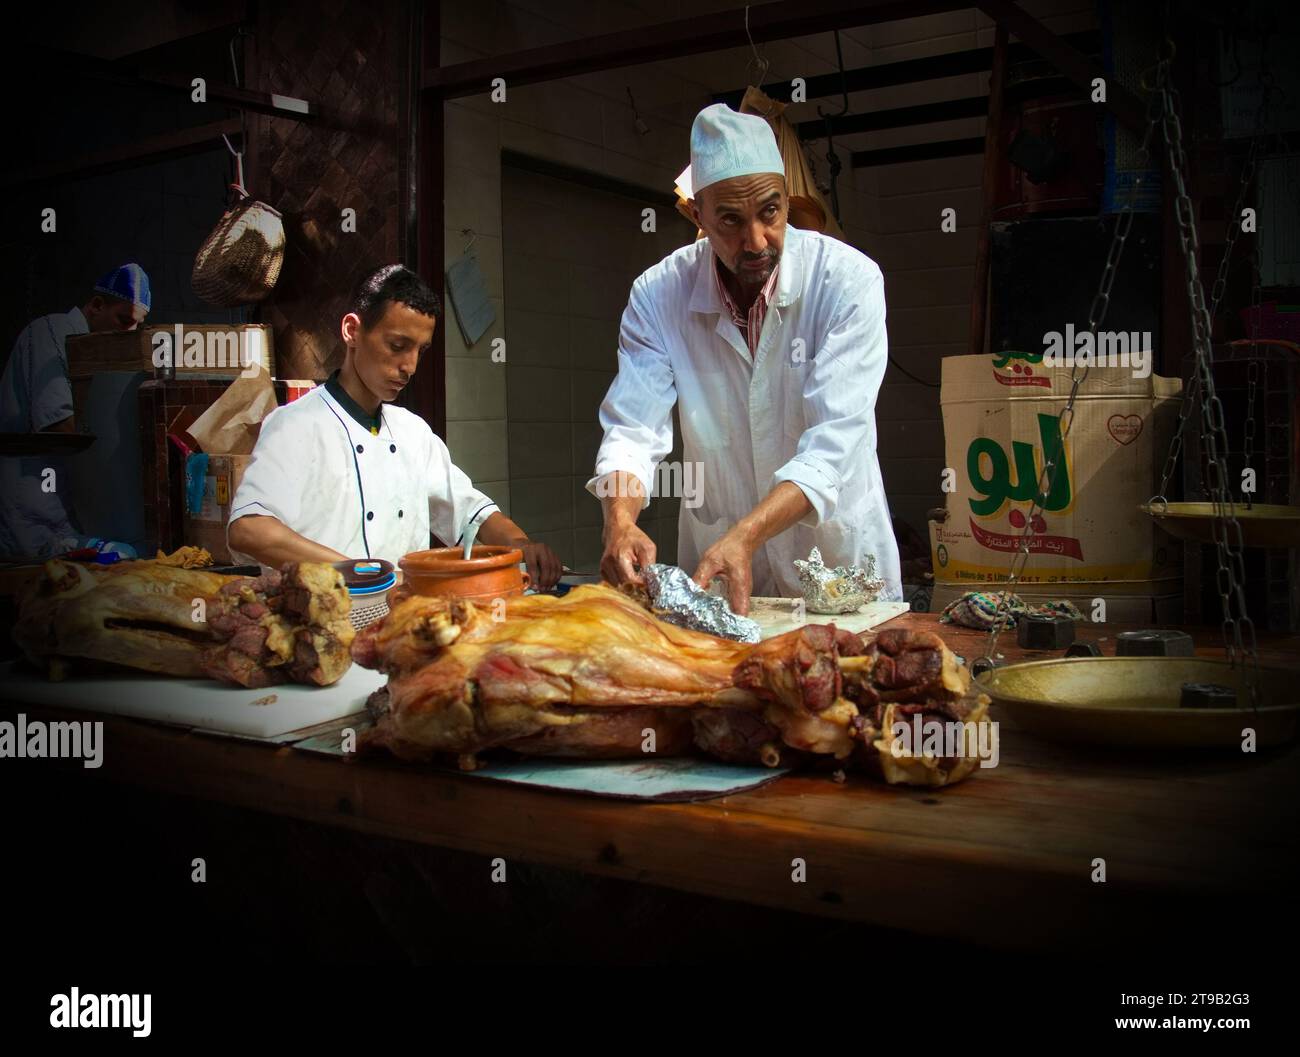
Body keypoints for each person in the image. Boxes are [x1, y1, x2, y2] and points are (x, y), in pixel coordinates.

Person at [589, 103, 902, 614]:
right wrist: (619, 520)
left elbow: (832, 446)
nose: (755, 241)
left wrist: (747, 535)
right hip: (719, 565)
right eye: (731, 220)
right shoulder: (659, 294)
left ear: (785, 200)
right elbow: (633, 430)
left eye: (770, 213)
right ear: (698, 214)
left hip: (836, 565)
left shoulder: (847, 282)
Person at [228, 264, 562, 587]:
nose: (411, 366)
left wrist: (522, 544)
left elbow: (470, 512)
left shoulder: (413, 433)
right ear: (352, 331)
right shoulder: (295, 425)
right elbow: (250, 529)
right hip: (322, 620)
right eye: (398, 346)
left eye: (421, 350)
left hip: (402, 621)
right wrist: (359, 573)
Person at [0, 263, 151, 559]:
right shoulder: (51, 331)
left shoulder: (94, 352)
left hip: (63, 501)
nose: (130, 332)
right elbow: (59, 424)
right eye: (124, 320)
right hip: (29, 496)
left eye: (138, 325)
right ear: (96, 306)